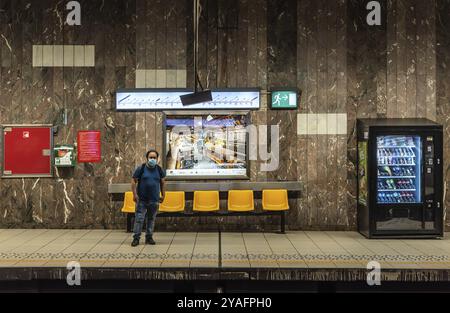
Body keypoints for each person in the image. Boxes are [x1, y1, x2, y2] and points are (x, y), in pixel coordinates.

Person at [130, 149, 166, 246]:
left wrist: (163, 195)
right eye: (151, 157)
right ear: (147, 158)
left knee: (151, 219)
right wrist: (134, 194)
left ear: (157, 159)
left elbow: (162, 183)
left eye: (154, 158)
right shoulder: (141, 168)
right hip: (141, 200)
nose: (152, 159)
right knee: (139, 219)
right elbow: (133, 181)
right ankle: (136, 238)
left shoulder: (159, 169)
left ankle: (149, 237)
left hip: (154, 199)